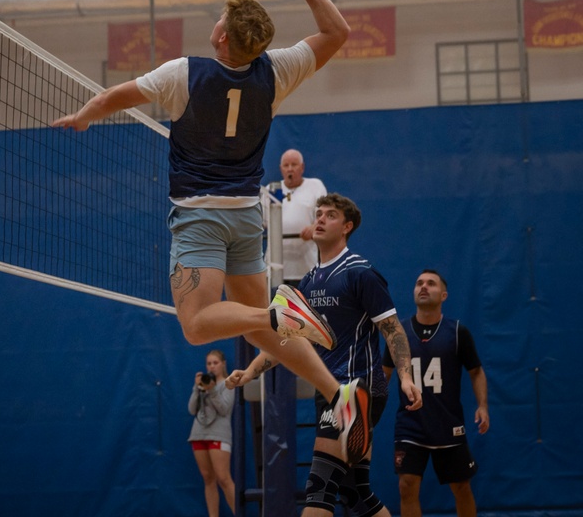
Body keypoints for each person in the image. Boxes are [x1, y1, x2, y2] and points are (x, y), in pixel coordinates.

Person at [54, 0, 372, 465]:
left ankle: (282, 311)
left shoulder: (183, 72)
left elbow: (114, 97)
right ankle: (337, 391)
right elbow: (337, 31)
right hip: (248, 215)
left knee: (198, 325)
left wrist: (86, 115)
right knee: (257, 323)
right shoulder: (278, 72)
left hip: (200, 217)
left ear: (220, 35)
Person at [229, 194, 423, 517]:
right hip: (330, 393)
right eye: (317, 214)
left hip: (357, 392)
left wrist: (405, 376)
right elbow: (288, 341)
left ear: (346, 227)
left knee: (319, 489)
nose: (319, 219)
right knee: (354, 494)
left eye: (330, 215)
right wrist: (250, 371)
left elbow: (392, 329)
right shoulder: (308, 281)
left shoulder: (360, 272)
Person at [383, 269, 489, 517]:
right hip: (410, 425)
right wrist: (368, 406)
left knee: (462, 486)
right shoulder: (400, 334)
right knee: (406, 486)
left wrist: (482, 405)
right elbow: (384, 374)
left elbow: (476, 371)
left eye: (430, 284)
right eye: (419, 283)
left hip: (448, 425)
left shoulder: (457, 332)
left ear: (443, 295)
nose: (423, 287)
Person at [265, 148, 326, 283]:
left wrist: (314, 227)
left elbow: (324, 215)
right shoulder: (273, 189)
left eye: (294, 165)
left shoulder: (315, 186)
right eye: (286, 165)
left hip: (306, 266)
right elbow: (262, 221)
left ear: (302, 167)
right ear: (281, 169)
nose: (290, 169)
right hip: (276, 267)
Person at [188, 349, 237, 517]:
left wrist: (212, 390)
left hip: (219, 434)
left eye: (215, 363)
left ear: (223, 364)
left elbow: (224, 409)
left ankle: (239, 513)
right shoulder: (203, 384)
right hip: (198, 434)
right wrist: (197, 388)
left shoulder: (229, 383)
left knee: (223, 478)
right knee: (208, 478)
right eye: (209, 363)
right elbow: (191, 409)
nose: (211, 367)